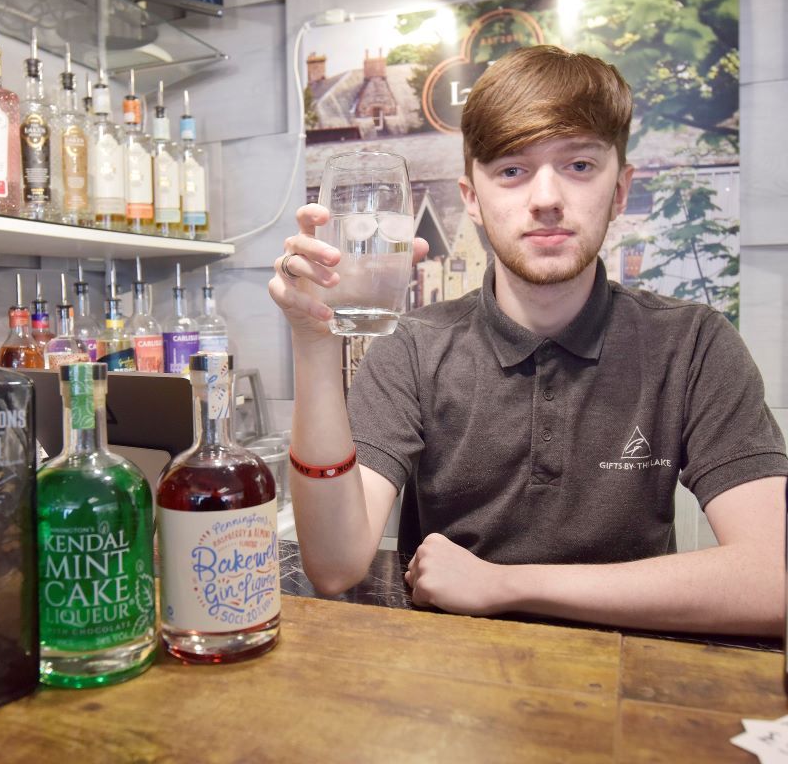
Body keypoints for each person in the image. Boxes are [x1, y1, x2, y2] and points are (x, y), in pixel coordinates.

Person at [269, 45, 787, 636]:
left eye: (580, 165)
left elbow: (774, 578)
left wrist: (503, 584)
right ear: (472, 200)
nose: (545, 199)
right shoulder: (412, 347)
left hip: (627, 686)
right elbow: (334, 567)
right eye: (512, 170)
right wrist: (313, 342)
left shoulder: (694, 345)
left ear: (620, 190)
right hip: (446, 692)